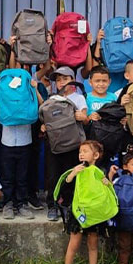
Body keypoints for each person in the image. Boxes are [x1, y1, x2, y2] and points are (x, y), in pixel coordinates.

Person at [60, 141, 112, 264]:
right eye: (80, 151)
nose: (81, 154)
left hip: (94, 214)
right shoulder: (77, 170)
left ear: (95, 155)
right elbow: (65, 191)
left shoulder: (100, 171)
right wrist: (71, 175)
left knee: (93, 243)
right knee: (73, 243)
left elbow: (106, 193)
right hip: (79, 213)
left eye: (85, 151)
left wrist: (107, 182)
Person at [43, 66, 88, 220]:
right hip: (55, 144)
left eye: (65, 79)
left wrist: (81, 116)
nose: (62, 82)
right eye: (58, 80)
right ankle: (52, 205)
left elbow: (85, 117)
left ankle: (68, 204)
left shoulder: (79, 97)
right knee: (53, 175)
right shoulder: (51, 99)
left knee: (72, 173)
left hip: (74, 143)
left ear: (73, 80)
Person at [0, 63, 41, 220]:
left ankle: (21, 203)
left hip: (25, 141)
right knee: (7, 175)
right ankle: (8, 202)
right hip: (6, 142)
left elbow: (41, 107)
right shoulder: (3, 87)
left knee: (22, 175)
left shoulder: (30, 87)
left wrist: (34, 89)